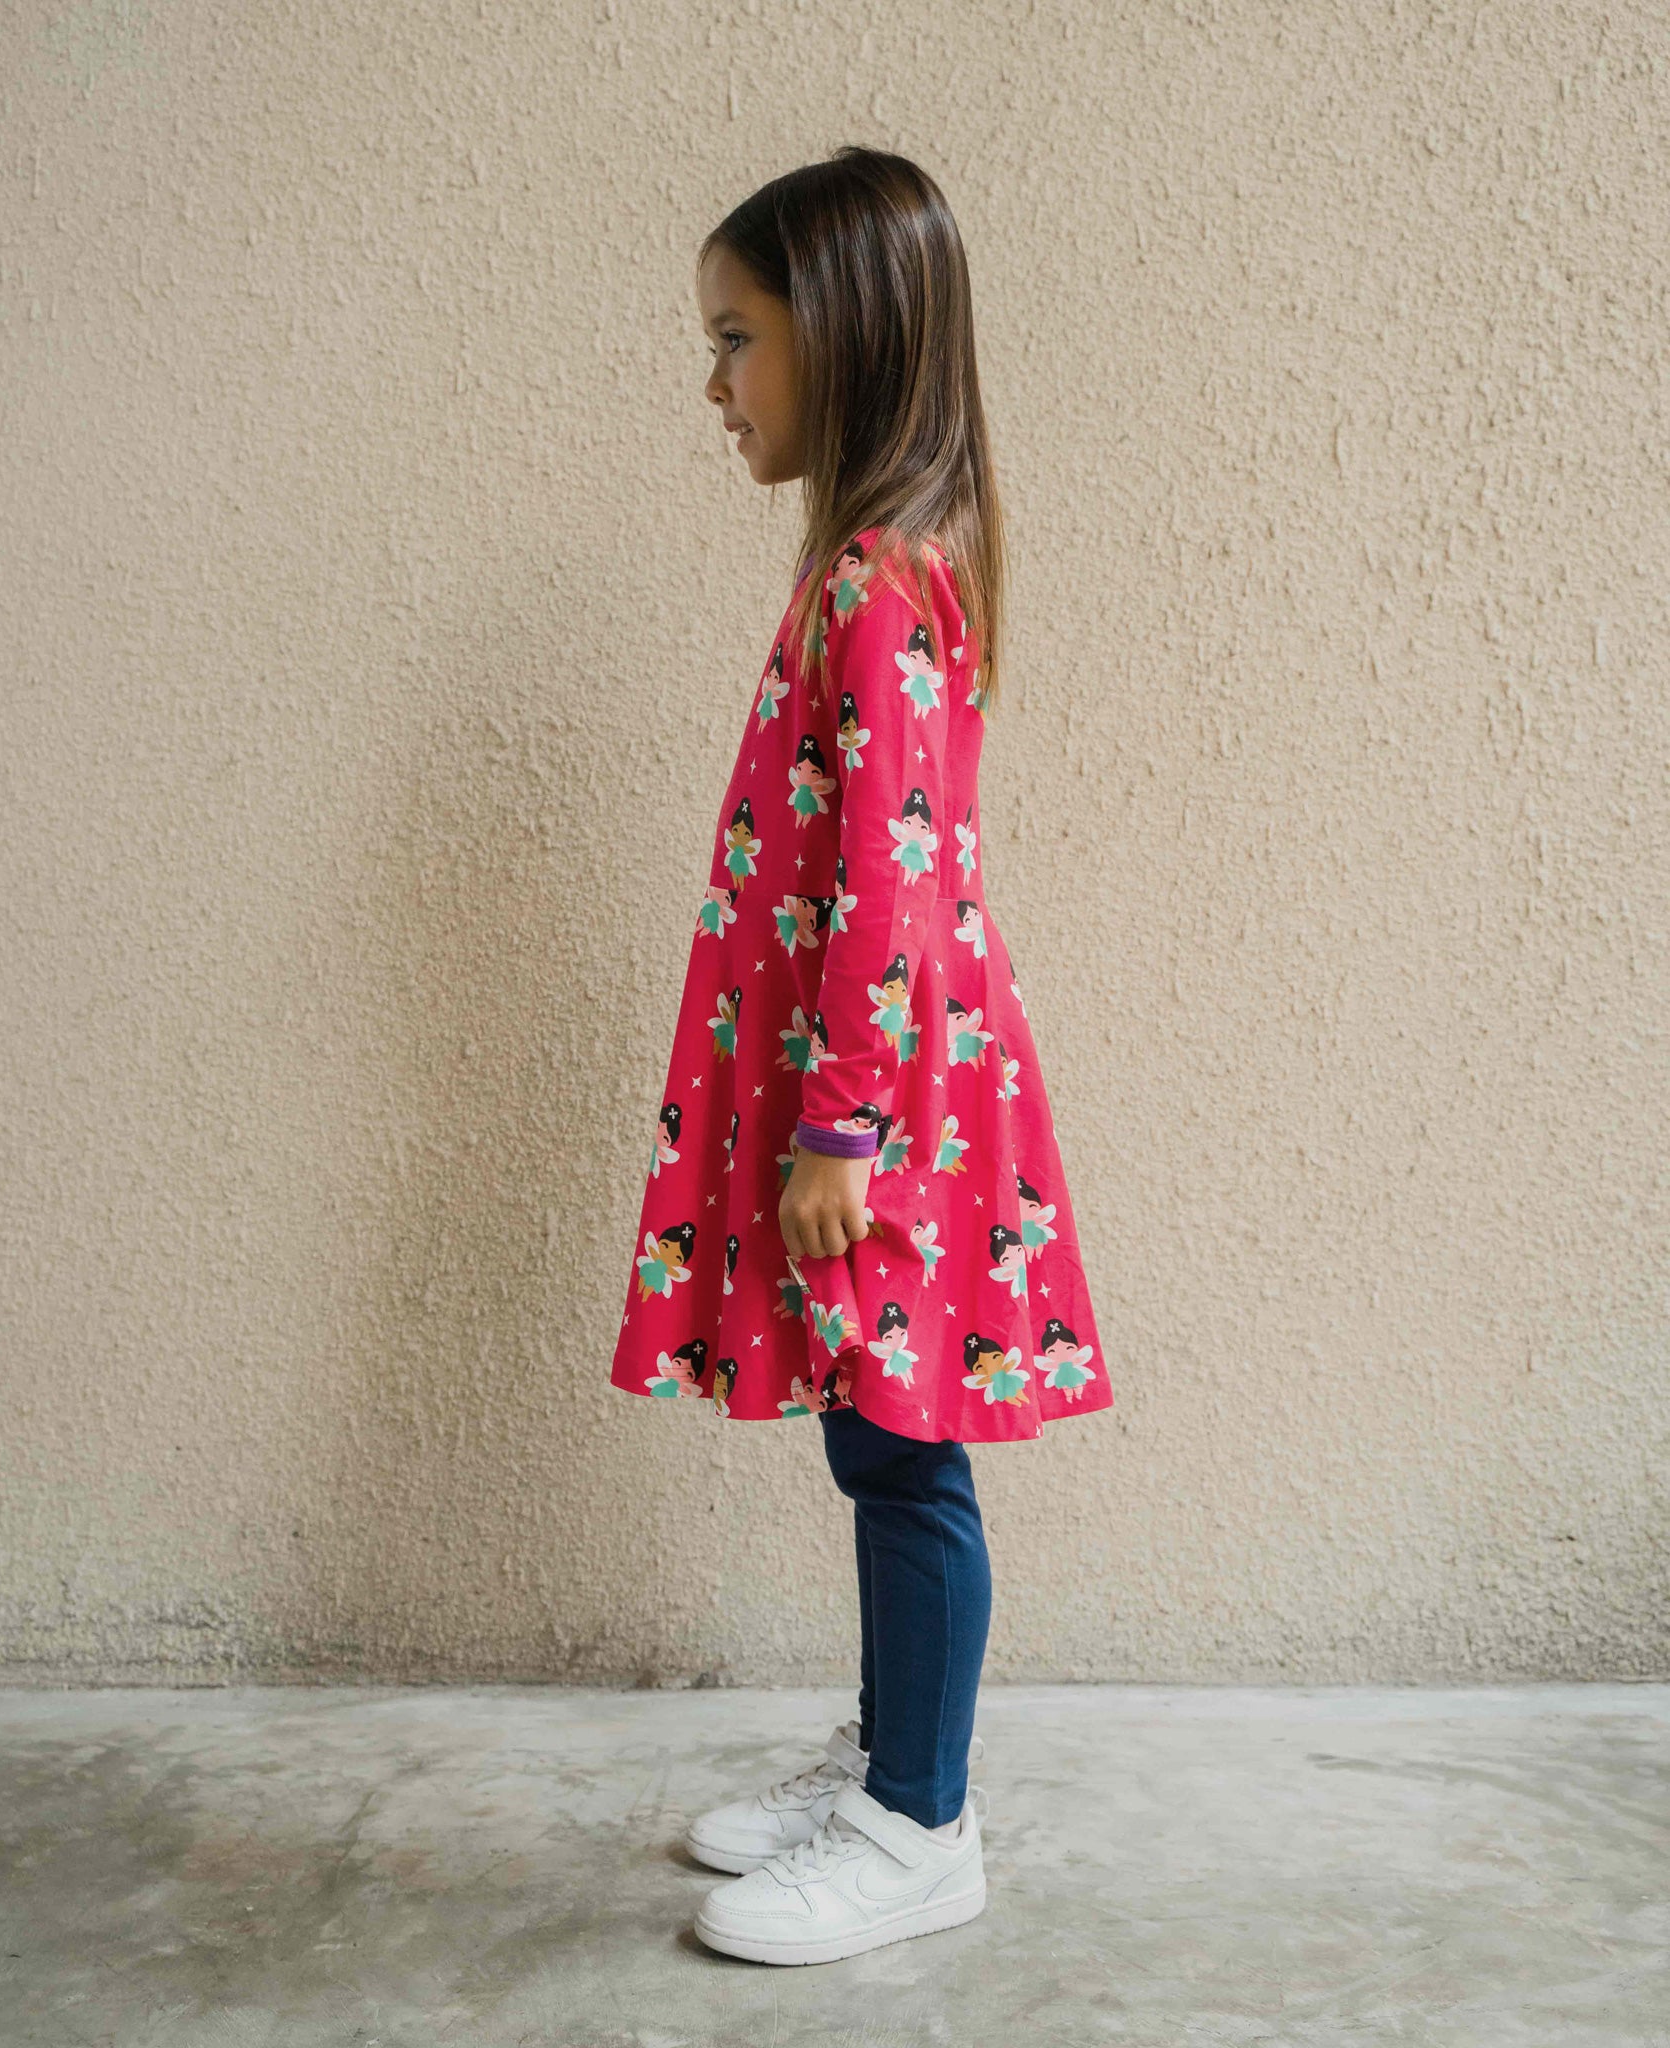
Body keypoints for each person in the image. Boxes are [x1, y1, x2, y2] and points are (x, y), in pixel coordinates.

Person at [607, 146, 1116, 1965]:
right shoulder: (865, 566)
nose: (715, 384)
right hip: (876, 1098)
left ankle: (922, 1824)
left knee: (904, 1450)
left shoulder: (881, 588)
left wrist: (834, 1128)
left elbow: (893, 889)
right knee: (870, 1444)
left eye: (737, 338)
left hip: (878, 1113)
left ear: (843, 333)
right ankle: (897, 1753)